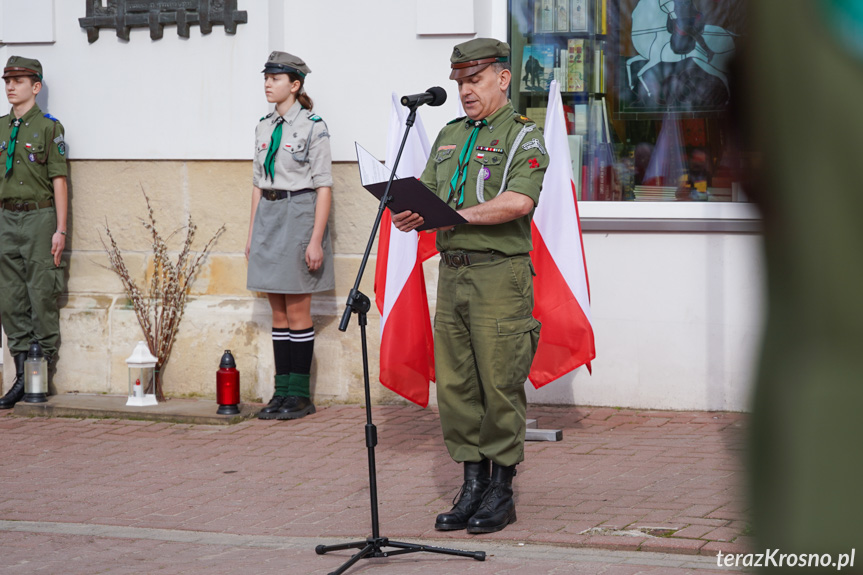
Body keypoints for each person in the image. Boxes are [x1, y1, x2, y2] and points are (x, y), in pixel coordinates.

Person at [392, 38, 548, 534]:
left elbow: (519, 201)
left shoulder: (524, 136)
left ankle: (502, 490)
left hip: (499, 275)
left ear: (503, 78)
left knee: (499, 383)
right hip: (453, 271)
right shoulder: (449, 134)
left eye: (474, 80)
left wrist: (457, 214)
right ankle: (472, 483)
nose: (464, 90)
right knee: (457, 385)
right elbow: (433, 194)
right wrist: (410, 208)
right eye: (460, 81)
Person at [245, 51, 334, 421]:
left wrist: (315, 240)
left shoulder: (314, 126)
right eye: (266, 77)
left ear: (295, 85)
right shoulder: (263, 126)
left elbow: (324, 187)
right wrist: (251, 233)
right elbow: (256, 183)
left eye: (276, 78)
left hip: (298, 214)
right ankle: (281, 392)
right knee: (277, 313)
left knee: (298, 312)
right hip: (268, 214)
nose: (268, 83)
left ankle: (300, 396)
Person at [0, 56, 68, 409]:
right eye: (7, 81)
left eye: (19, 81)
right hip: (6, 219)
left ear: (36, 87)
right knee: (10, 299)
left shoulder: (48, 128)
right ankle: (20, 375)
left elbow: (59, 180)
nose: (11, 86)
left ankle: (39, 376)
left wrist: (61, 229)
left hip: (39, 219)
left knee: (41, 293)